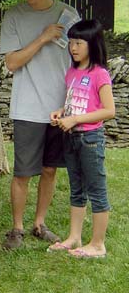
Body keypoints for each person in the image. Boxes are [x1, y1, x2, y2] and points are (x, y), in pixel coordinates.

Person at [0, 0, 80, 249]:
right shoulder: (14, 16)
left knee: (50, 170)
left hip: (61, 108)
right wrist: (43, 38)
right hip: (27, 106)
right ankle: (17, 228)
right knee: (22, 172)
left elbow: (80, 59)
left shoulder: (69, 15)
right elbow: (11, 62)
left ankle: (39, 224)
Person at [48, 20, 115, 258]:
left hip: (90, 139)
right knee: (76, 190)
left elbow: (109, 110)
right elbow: (73, 103)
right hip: (71, 137)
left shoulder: (99, 74)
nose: (73, 48)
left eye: (79, 43)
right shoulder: (72, 72)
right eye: (71, 42)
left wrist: (76, 120)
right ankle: (74, 237)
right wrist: (62, 113)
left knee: (96, 190)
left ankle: (97, 244)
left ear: (92, 44)